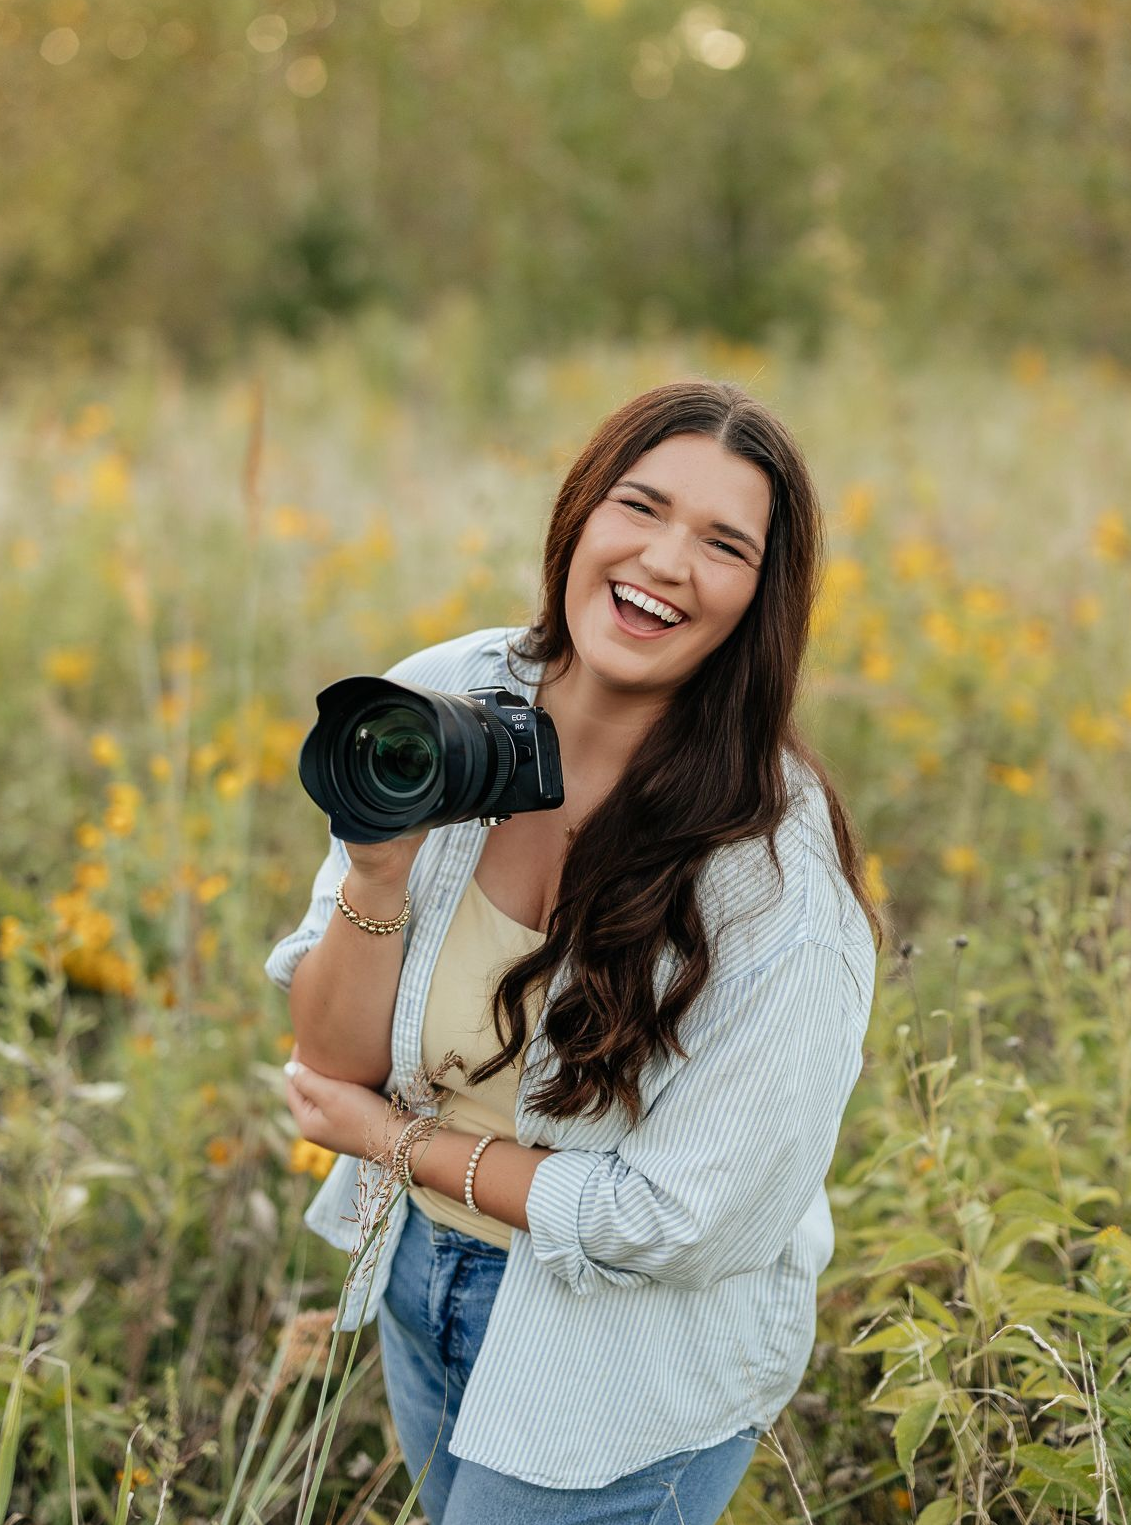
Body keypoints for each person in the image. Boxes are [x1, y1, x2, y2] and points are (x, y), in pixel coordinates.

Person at [266, 379, 886, 1525]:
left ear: (762, 596)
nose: (662, 561)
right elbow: (328, 1061)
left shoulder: (776, 883)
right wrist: (377, 875)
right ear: (579, 514)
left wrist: (397, 1142)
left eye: (723, 543)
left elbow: (683, 1222)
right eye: (639, 506)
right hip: (420, 1276)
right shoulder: (441, 700)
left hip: (622, 1357)